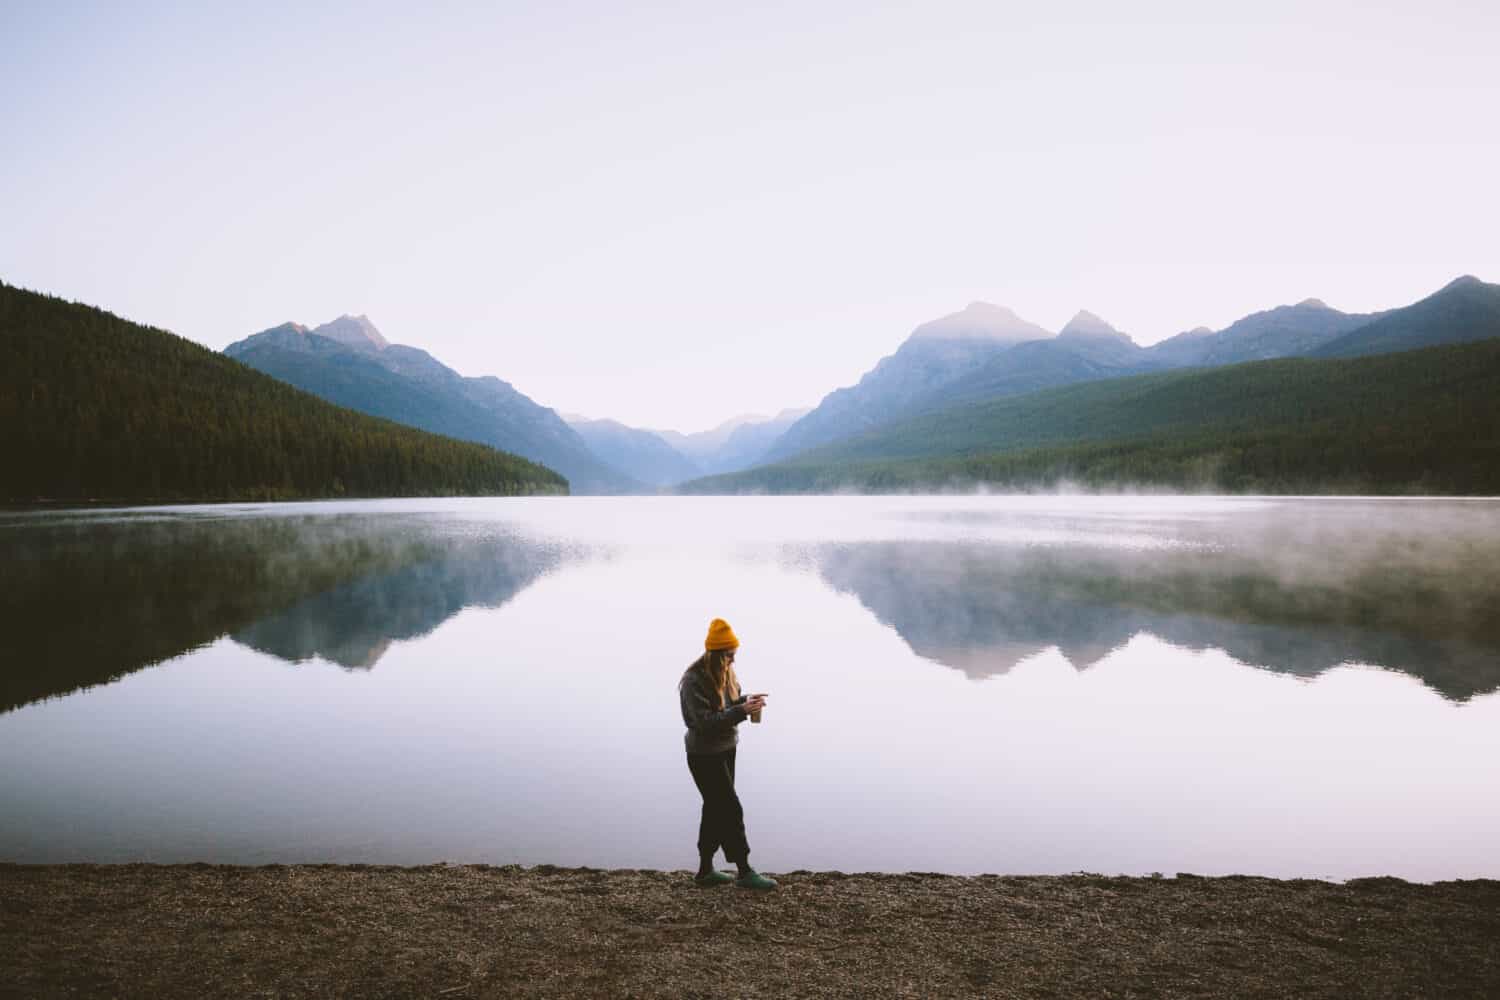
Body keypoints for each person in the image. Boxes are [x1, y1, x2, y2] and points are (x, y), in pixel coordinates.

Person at [679, 617, 776, 890]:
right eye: (729, 656)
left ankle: (705, 871)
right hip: (703, 755)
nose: (733, 661)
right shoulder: (693, 680)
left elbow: (728, 706)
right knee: (730, 809)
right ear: (717, 653)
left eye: (734, 655)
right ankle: (744, 870)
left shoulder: (726, 674)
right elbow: (702, 722)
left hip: (726, 749)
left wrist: (745, 702)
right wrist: (739, 712)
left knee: (715, 809)